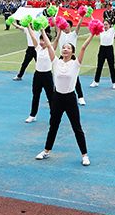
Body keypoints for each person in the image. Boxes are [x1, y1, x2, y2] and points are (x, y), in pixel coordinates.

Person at [35, 30, 95, 164]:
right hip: (57, 98)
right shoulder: (56, 62)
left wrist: (92, 33)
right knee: (53, 125)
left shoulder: (75, 64)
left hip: (70, 99)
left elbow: (83, 47)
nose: (65, 49)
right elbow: (49, 46)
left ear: (72, 52)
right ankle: (46, 151)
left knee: (76, 127)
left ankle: (85, 155)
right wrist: (43, 30)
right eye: (63, 48)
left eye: (68, 48)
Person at [24, 27, 55, 123]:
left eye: (43, 40)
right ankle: (32, 115)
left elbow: (52, 42)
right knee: (35, 95)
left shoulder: (51, 49)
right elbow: (33, 36)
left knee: (50, 96)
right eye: (41, 40)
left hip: (47, 76)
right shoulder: (38, 49)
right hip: (37, 75)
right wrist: (28, 26)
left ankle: (54, 116)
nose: (41, 42)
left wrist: (42, 31)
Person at [57, 19, 86, 105]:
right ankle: (55, 94)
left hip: (71, 57)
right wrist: (52, 15)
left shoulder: (74, 34)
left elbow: (79, 25)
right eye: (64, 26)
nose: (65, 27)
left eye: (67, 26)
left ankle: (80, 97)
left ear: (70, 27)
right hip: (61, 57)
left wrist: (82, 16)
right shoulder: (60, 33)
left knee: (75, 78)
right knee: (58, 76)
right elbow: (56, 24)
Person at [90, 19, 115, 89]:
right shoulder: (101, 29)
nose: (105, 26)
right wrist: (90, 15)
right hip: (102, 49)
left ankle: (114, 83)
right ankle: (96, 81)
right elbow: (94, 21)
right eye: (104, 24)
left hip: (109, 49)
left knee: (111, 66)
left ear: (110, 25)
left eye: (106, 24)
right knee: (99, 66)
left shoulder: (113, 30)